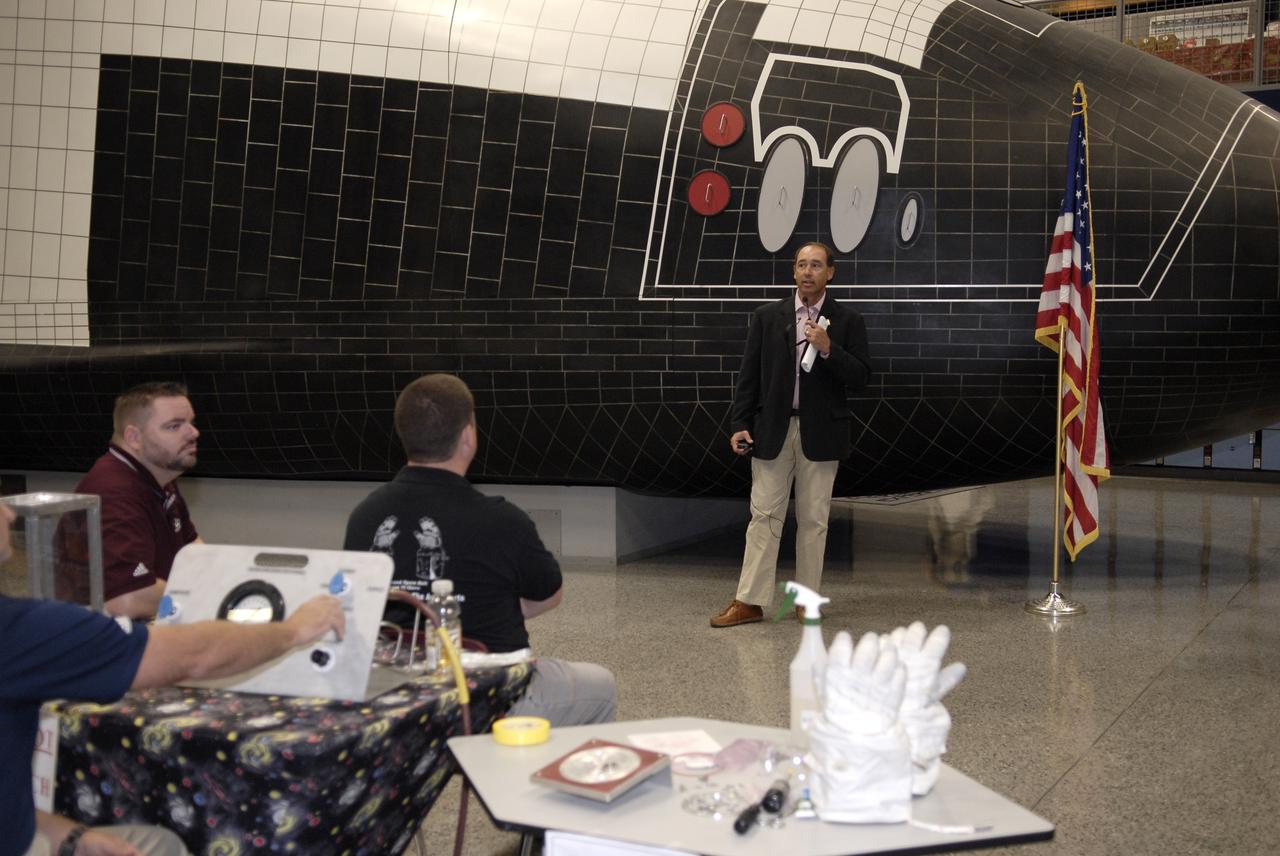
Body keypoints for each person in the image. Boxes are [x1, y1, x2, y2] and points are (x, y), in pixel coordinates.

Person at [0, 500, 346, 856]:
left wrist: (70, 836)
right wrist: (292, 630)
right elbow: (192, 655)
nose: (10, 514)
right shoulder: (21, 631)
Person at [343, 374, 616, 727]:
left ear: (404, 435)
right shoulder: (503, 520)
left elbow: (361, 609)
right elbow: (549, 596)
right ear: (468, 437)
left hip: (399, 703)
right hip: (487, 702)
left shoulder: (364, 516)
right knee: (601, 686)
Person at [711, 242, 872, 627]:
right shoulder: (769, 317)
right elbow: (749, 376)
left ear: (830, 272)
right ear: (793, 271)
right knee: (763, 515)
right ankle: (749, 601)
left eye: (815, 265)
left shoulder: (847, 320)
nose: (807, 271)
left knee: (814, 520)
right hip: (772, 431)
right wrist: (739, 423)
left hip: (822, 432)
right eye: (801, 264)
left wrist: (829, 348)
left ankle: (807, 601)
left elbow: (862, 377)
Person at [57, 382, 201, 618]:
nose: (194, 433)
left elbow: (196, 555)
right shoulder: (113, 491)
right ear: (134, 437)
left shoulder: (159, 479)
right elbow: (127, 600)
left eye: (192, 423)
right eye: (174, 426)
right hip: (99, 643)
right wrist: (204, 597)